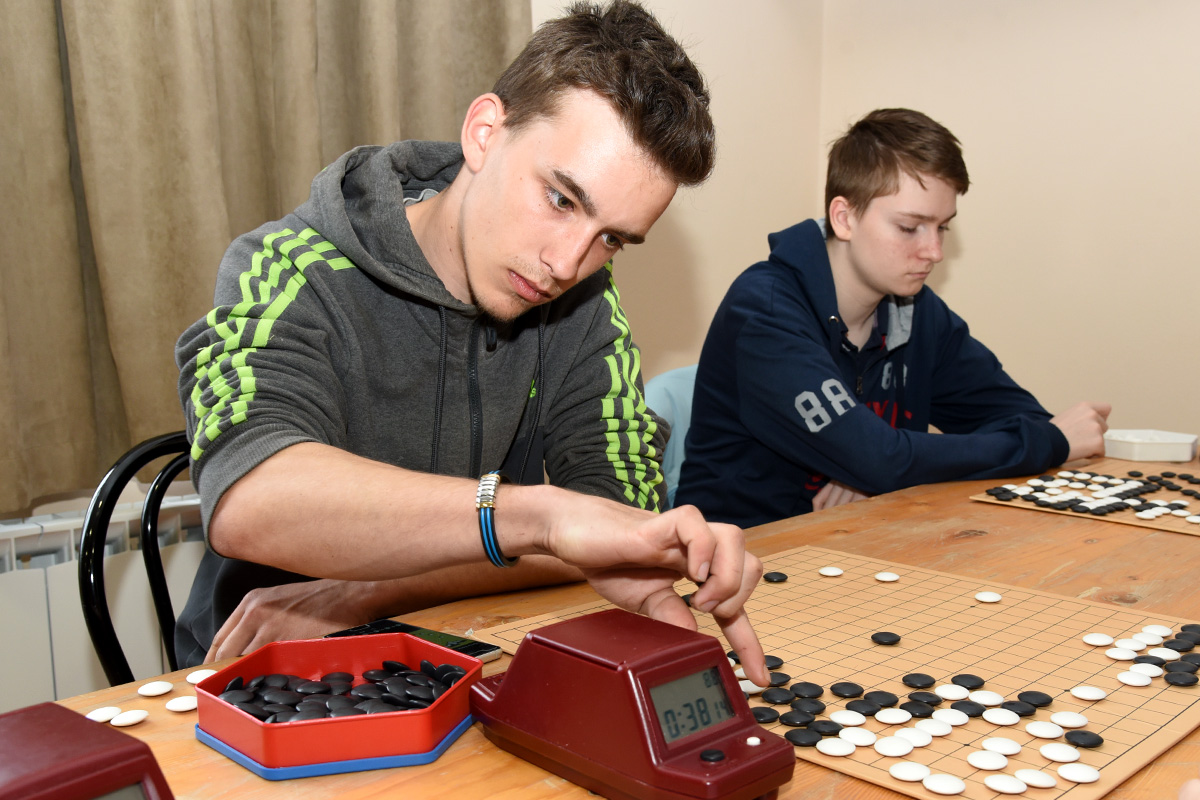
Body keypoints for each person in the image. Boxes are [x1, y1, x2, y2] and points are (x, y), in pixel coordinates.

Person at [174, 0, 768, 684]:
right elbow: (252, 498)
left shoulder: (584, 302)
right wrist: (537, 516)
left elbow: (616, 528)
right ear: (485, 132)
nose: (567, 264)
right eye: (561, 199)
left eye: (611, 238)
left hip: (452, 647)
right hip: (262, 673)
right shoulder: (286, 265)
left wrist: (373, 591)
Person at [675, 108, 1111, 528]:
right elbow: (883, 460)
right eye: (909, 227)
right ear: (844, 218)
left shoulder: (916, 311)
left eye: (942, 227)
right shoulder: (765, 311)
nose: (934, 252)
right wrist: (874, 464)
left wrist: (869, 466)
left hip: (861, 541)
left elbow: (1021, 420)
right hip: (744, 554)